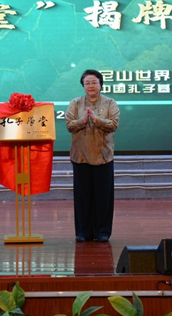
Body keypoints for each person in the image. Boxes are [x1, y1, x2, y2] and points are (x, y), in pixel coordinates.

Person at [65, 69, 120, 242]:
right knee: (82, 196)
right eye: (87, 83)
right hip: (80, 156)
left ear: (101, 84)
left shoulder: (110, 103)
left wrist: (97, 120)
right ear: (83, 85)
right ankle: (83, 232)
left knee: (103, 196)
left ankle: (102, 232)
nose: (91, 86)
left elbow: (114, 124)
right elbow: (69, 125)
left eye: (94, 82)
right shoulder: (75, 103)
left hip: (103, 156)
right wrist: (82, 121)